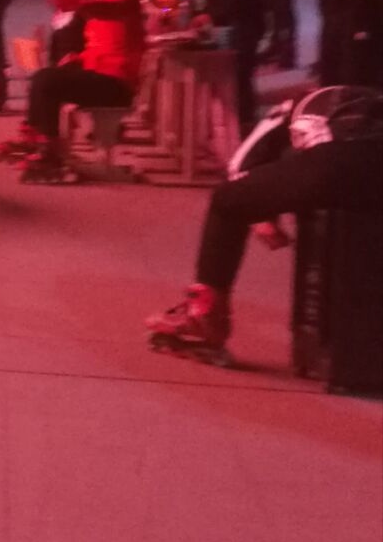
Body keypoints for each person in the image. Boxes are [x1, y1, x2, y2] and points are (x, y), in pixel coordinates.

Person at [145, 86, 383, 353]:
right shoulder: (368, 101)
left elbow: (239, 167)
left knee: (226, 200)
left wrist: (258, 214)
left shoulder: (290, 109)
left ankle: (206, 316)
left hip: (339, 162)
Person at [3, 0, 145, 182]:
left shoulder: (125, 0)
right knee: (43, 78)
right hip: (98, 76)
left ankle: (50, 152)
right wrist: (77, 58)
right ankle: (37, 140)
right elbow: (99, 47)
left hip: (117, 84)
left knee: (48, 80)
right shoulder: (96, 7)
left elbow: (94, 8)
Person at [177, 0, 263, 132]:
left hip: (241, 25)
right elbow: (190, 1)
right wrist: (174, 12)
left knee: (238, 78)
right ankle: (235, 125)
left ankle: (245, 126)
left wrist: (210, 16)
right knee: (230, 79)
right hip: (225, 25)